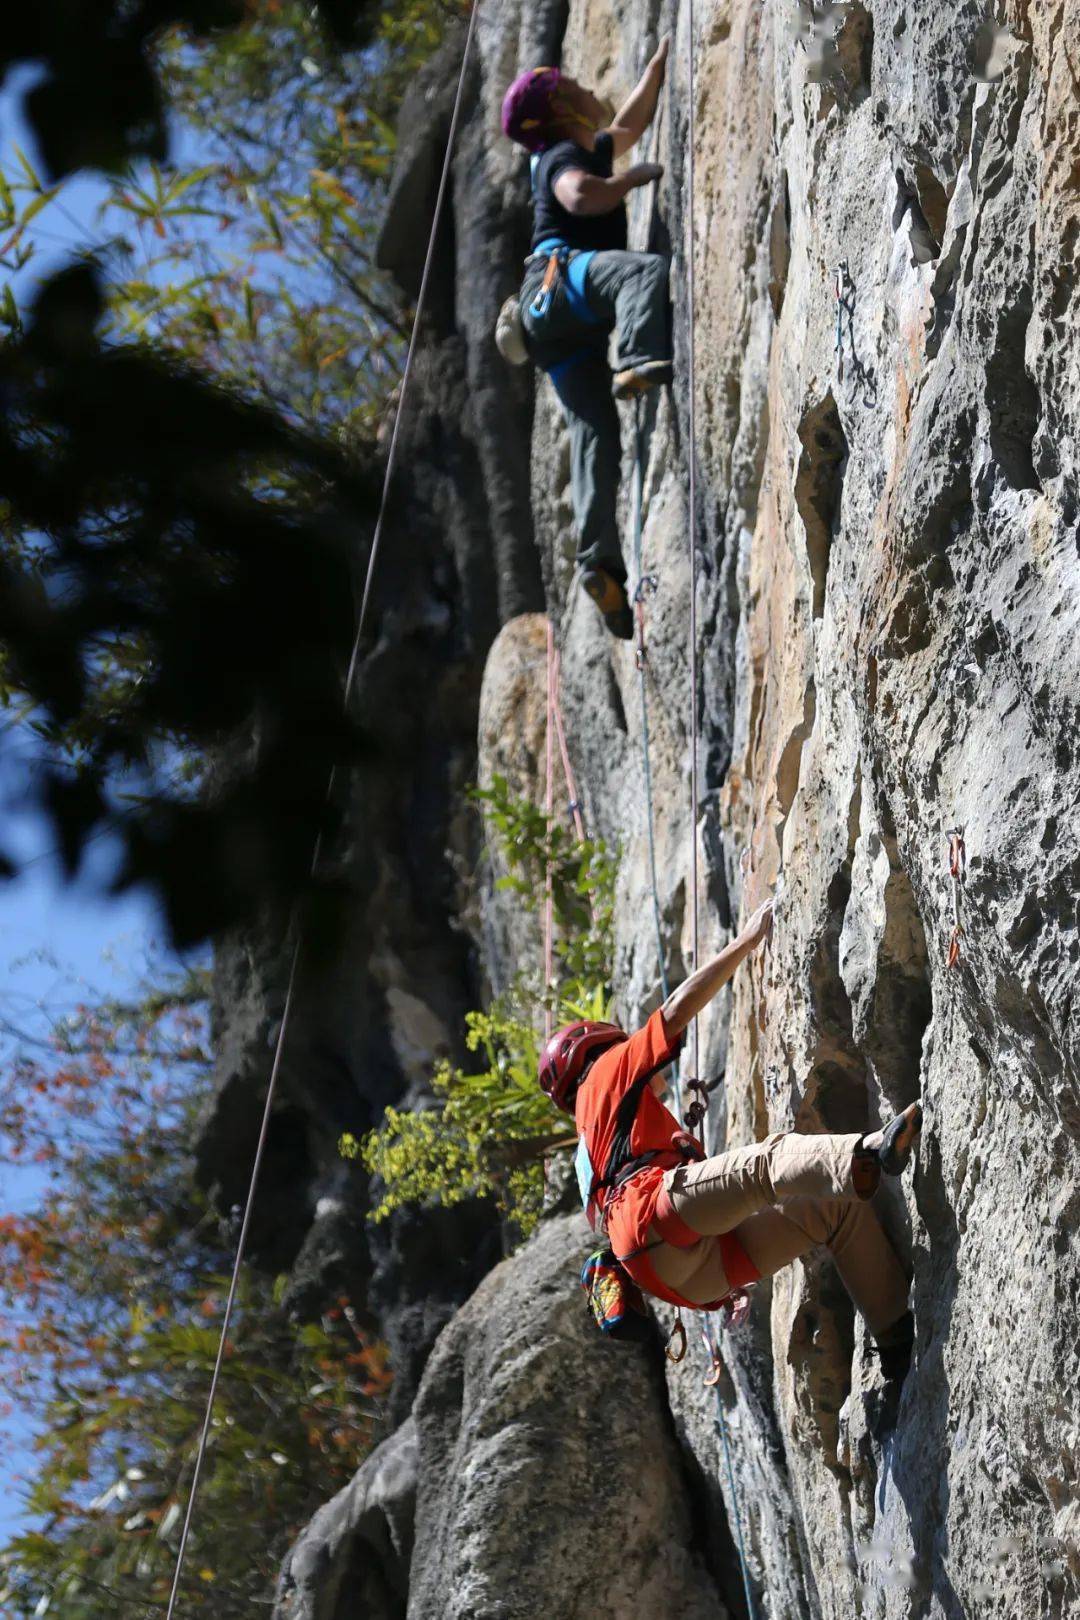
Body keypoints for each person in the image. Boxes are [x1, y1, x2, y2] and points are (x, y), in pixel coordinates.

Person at [539, 898, 922, 1384]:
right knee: (770, 1163)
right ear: (596, 1049)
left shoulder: (592, 1147)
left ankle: (895, 1340)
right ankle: (868, 1152)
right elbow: (675, 1012)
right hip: (657, 1218)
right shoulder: (603, 1076)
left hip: (688, 1277)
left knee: (832, 1210)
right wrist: (747, 939)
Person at [500, 45, 673, 640]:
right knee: (641, 273)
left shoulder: (570, 148)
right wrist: (633, 180)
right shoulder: (561, 155)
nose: (584, 84)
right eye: (571, 83)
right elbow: (580, 196)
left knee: (595, 436)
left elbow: (627, 125)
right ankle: (634, 358)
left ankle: (600, 565)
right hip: (559, 279)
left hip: (551, 328)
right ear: (560, 106)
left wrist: (656, 67)